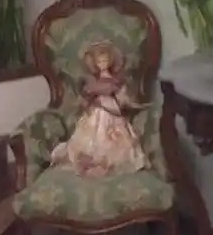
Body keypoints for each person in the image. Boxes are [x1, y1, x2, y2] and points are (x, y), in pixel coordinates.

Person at [50, 41, 148, 178]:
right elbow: (89, 93)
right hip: (98, 107)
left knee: (114, 131)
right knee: (94, 129)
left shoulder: (114, 79)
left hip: (111, 106)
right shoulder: (93, 81)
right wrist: (88, 101)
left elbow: (120, 94)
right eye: (100, 62)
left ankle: (107, 159)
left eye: (105, 61)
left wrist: (123, 100)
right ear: (95, 64)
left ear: (110, 61)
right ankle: (92, 158)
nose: (103, 64)